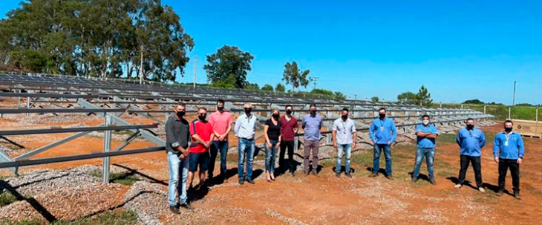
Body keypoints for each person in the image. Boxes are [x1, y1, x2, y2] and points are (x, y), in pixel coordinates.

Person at [165, 103, 191, 214]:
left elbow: (189, 138)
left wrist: (187, 150)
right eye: (179, 109)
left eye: (183, 109)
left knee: (184, 177)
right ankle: (172, 202)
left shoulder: (185, 123)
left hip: (184, 154)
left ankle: (183, 199)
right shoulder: (170, 121)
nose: (181, 111)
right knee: (174, 178)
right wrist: (183, 150)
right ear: (175, 110)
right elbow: (172, 139)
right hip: (174, 153)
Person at [493, 120, 525, 199]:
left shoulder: (517, 135)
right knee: (502, 175)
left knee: (515, 176)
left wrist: (520, 156)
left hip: (514, 159)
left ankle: (516, 191)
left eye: (509, 125)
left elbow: (521, 146)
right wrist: (495, 155)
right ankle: (500, 189)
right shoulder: (499, 135)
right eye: (506, 125)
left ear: (512, 126)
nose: (508, 127)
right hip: (503, 158)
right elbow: (496, 145)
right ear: (504, 126)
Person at [455, 118, 486, 192]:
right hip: (464, 153)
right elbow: (458, 140)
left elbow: (483, 141)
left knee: (477, 170)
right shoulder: (462, 131)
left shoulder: (479, 132)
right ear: (466, 123)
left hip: (475, 154)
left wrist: (478, 147)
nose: (470, 124)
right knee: (463, 169)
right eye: (468, 122)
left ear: (474, 123)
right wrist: (463, 147)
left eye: (471, 122)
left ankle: (479, 185)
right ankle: (460, 182)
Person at [188, 107, 214, 190]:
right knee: (192, 169)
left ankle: (202, 184)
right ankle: (189, 185)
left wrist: (209, 142)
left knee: (203, 169)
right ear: (198, 114)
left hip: (205, 151)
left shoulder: (208, 124)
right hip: (195, 150)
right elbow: (194, 135)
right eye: (201, 113)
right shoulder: (194, 123)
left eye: (204, 114)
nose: (203, 115)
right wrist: (204, 143)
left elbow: (212, 133)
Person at [208, 99, 232, 184]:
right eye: (219, 104)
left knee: (223, 158)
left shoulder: (228, 115)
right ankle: (210, 175)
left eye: (221, 104)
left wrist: (224, 135)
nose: (220, 105)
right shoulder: (212, 115)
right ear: (217, 105)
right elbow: (211, 127)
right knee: (212, 158)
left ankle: (223, 175)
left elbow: (229, 126)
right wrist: (218, 135)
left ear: (223, 105)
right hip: (215, 140)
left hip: (224, 140)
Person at [369, 108, 397, 179]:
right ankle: (375, 171)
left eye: (383, 112)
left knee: (388, 158)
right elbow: (371, 131)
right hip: (377, 143)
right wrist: (373, 140)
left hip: (386, 143)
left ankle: (389, 173)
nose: (381, 114)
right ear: (378, 113)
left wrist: (391, 141)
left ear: (385, 113)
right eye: (380, 113)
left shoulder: (390, 121)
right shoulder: (375, 121)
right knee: (376, 157)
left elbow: (394, 132)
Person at [235, 103, 258, 185]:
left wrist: (251, 134)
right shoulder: (240, 118)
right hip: (242, 140)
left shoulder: (254, 118)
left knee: (250, 160)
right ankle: (241, 177)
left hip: (251, 141)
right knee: (241, 160)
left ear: (251, 109)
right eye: (246, 108)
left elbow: (255, 128)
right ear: (243, 109)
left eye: (249, 108)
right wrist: (239, 136)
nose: (248, 109)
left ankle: (248, 176)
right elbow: (236, 128)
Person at [412, 115, 439, 185]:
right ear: (422, 120)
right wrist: (429, 133)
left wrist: (423, 134)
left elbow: (434, 136)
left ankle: (431, 178)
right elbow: (418, 134)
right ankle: (415, 176)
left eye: (427, 119)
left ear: (429, 120)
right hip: (420, 147)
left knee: (430, 163)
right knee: (418, 162)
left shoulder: (432, 127)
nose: (425, 120)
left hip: (430, 148)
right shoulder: (419, 126)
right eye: (424, 119)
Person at [332, 108, 357, 178]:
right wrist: (334, 142)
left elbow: (354, 132)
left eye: (346, 114)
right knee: (339, 157)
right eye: (343, 114)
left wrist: (354, 141)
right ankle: (338, 170)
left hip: (348, 142)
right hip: (340, 142)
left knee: (348, 157)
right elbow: (333, 131)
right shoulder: (337, 121)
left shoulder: (351, 122)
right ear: (341, 114)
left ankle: (347, 171)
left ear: (348, 114)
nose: (344, 115)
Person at [302, 104, 323, 176]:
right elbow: (303, 126)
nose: (313, 111)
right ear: (309, 110)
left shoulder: (319, 118)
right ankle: (306, 170)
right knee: (306, 155)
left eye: (314, 109)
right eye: (311, 109)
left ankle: (314, 169)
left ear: (316, 110)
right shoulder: (305, 117)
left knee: (315, 155)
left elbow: (319, 127)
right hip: (307, 139)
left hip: (316, 139)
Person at [279, 105, 299, 176]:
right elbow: (278, 127)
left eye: (290, 109)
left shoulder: (294, 119)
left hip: (291, 139)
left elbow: (296, 126)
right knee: (282, 154)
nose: (289, 110)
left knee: (291, 154)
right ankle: (281, 169)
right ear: (285, 110)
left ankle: (291, 169)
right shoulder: (281, 119)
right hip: (283, 139)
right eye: (288, 109)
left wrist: (295, 132)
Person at [264, 109, 282, 182]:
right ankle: (268, 173)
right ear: (271, 114)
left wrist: (279, 142)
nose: (276, 114)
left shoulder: (279, 122)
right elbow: (265, 132)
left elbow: (280, 133)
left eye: (277, 113)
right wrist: (268, 142)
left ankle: (272, 172)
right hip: (269, 141)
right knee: (268, 157)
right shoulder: (268, 121)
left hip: (276, 142)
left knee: (274, 158)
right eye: (274, 113)